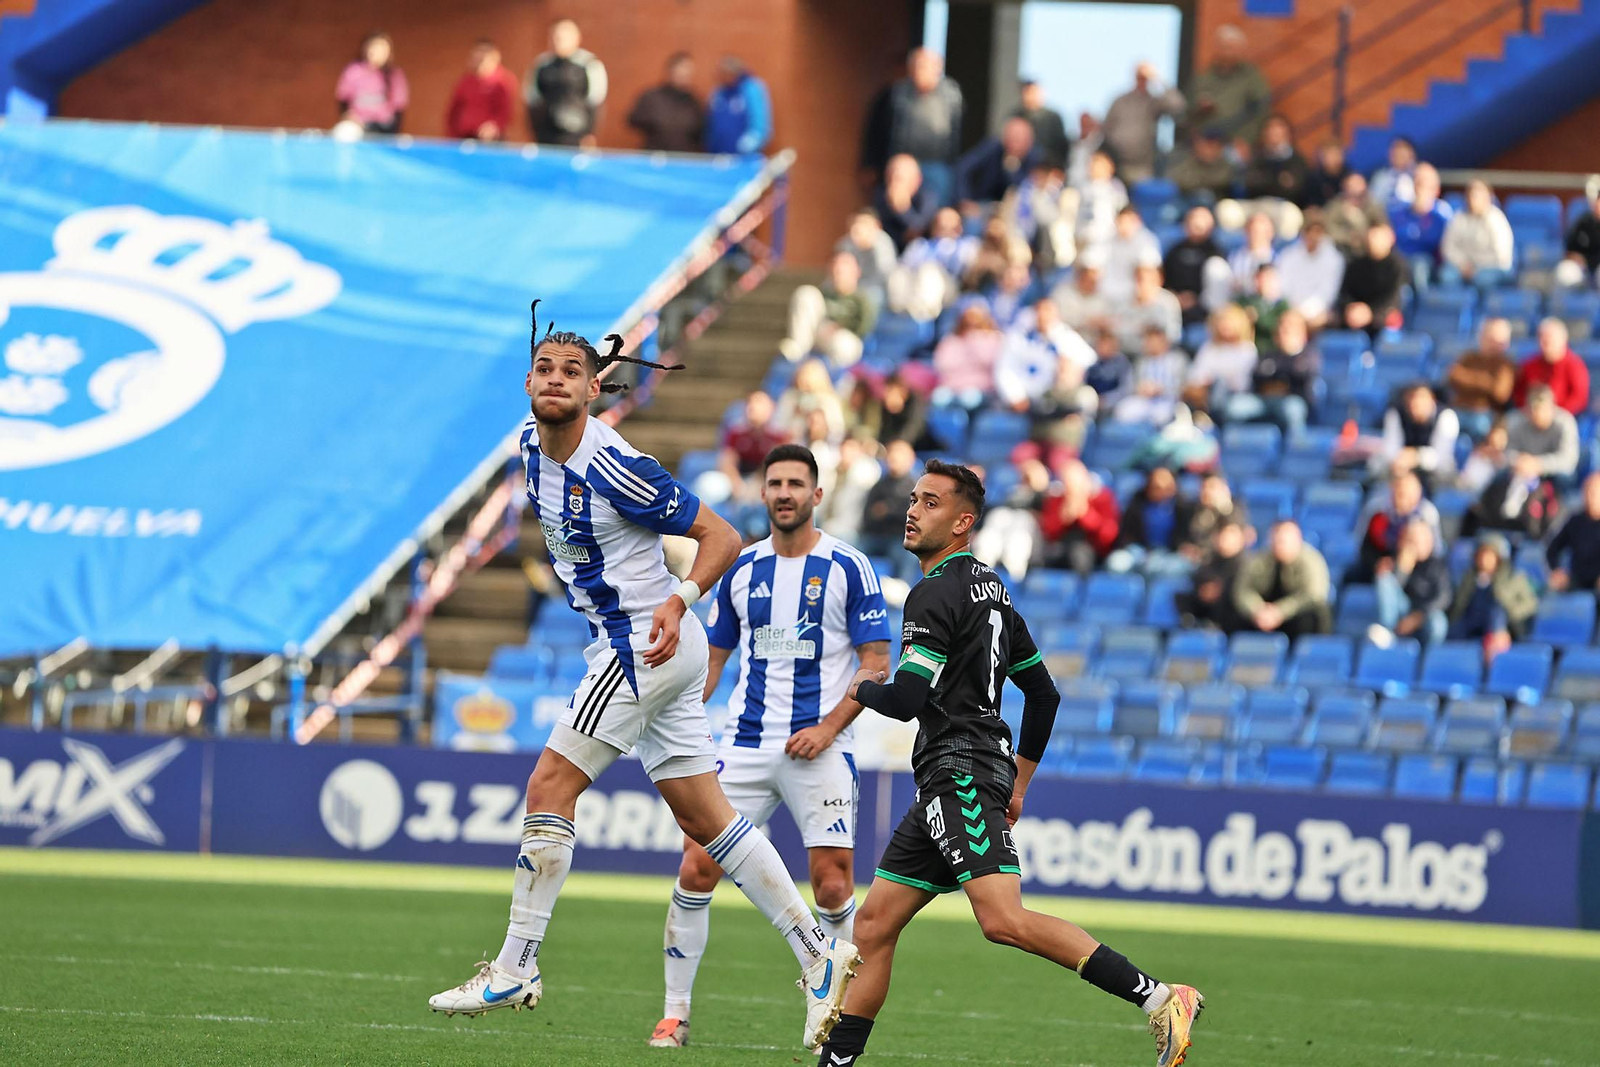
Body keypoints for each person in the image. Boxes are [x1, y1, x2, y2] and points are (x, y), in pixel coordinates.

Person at [430, 310, 857, 1056]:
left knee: (548, 787)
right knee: (709, 822)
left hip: (643, 645)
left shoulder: (613, 463)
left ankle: (515, 965)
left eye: (572, 372)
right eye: (546, 369)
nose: (556, 379)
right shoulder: (531, 448)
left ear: (595, 389)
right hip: (650, 645)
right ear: (528, 381)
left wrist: (677, 597)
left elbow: (722, 536)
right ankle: (820, 956)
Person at [815, 460, 1204, 1067]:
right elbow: (1043, 693)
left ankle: (1160, 998)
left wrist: (861, 686)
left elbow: (906, 700)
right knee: (872, 925)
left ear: (963, 522)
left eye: (931, 502)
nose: (913, 510)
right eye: (915, 499)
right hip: (963, 776)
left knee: (1002, 919)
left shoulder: (933, 591)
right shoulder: (991, 591)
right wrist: (1018, 785)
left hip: (959, 773)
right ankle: (834, 1065)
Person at [653, 445, 891, 1048]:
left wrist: (830, 727)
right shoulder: (742, 567)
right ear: (763, 494)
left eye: (796, 484)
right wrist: (687, 717)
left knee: (833, 885)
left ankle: (832, 1010)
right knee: (696, 865)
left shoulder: (848, 566)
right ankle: (674, 1014)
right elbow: (713, 655)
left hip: (823, 746)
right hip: (746, 743)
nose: (784, 493)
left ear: (816, 495)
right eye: (775, 483)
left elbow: (876, 664)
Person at [882, 48, 965, 207]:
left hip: (938, 165)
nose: (919, 71)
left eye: (924, 66)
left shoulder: (950, 93)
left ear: (938, 68)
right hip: (904, 163)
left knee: (935, 206)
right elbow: (889, 129)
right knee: (899, 205)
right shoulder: (900, 92)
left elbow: (955, 134)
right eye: (916, 66)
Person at [1232, 519, 1333, 639]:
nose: (1279, 544)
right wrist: (1257, 610)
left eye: (1283, 541)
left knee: (1315, 614)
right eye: (1275, 539)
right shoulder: (1260, 559)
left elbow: (1314, 595)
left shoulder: (1311, 561)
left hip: (1295, 614)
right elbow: (1242, 589)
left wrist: (1280, 612)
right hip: (1264, 613)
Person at [1224, 308, 1318, 437]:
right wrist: (1281, 378)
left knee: (1292, 409)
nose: (1284, 331)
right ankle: (1238, 445)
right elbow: (1257, 375)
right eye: (1282, 328)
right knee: (1234, 406)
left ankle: (1295, 446)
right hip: (1263, 401)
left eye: (1290, 329)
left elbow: (1301, 376)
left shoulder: (1309, 355)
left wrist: (1278, 374)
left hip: (1292, 400)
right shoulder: (1269, 354)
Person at [1447, 533, 1538, 659]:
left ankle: (1494, 655)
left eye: (1489, 555)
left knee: (1496, 611)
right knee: (1454, 631)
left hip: (1502, 624)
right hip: (1472, 620)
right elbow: (1460, 604)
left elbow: (1529, 604)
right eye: (1481, 555)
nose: (1484, 560)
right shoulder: (1469, 578)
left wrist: (1511, 610)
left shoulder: (1514, 577)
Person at [996, 298, 1096, 412]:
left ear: (1057, 315)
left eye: (1048, 311)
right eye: (1040, 310)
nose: (1044, 315)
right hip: (1026, 404)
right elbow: (1005, 370)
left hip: (1057, 402)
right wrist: (1015, 397)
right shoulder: (1018, 337)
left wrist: (1072, 367)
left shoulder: (1067, 337)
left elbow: (1089, 360)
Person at [781, 251, 877, 366]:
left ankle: (833, 375)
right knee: (805, 292)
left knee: (844, 345)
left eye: (844, 266)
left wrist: (840, 326)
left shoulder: (862, 299)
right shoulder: (822, 294)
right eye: (836, 265)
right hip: (818, 333)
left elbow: (865, 328)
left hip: (844, 338)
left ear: (856, 271)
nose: (839, 270)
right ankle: (798, 354)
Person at [1350, 467, 1443, 583]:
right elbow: (1365, 547)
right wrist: (1378, 562)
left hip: (1419, 572)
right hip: (1381, 568)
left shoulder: (1427, 514)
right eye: (1400, 492)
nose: (1403, 499)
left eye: (1409, 494)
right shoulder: (1378, 512)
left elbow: (1436, 554)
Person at [524, 19, 607, 147]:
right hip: (546, 135)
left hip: (576, 135)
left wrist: (590, 134)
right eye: (555, 37)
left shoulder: (589, 64)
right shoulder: (541, 65)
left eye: (563, 37)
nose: (558, 41)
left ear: (577, 38)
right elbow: (532, 100)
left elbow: (596, 100)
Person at [1369, 519, 1451, 648]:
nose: (1412, 545)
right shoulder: (1396, 560)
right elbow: (1392, 594)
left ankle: (1430, 655)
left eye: (1416, 541)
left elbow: (1443, 597)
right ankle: (1388, 632)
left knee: (1438, 622)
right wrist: (1402, 570)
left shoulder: (1438, 565)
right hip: (1402, 611)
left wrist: (1417, 617)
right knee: (1384, 579)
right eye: (1408, 540)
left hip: (1424, 614)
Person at [1185, 24, 1270, 147]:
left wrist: (1247, 140)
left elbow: (1262, 110)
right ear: (1217, 48)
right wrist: (1200, 107)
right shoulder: (1203, 77)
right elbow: (1187, 110)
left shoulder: (1251, 77)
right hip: (1206, 144)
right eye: (1225, 47)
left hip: (1238, 143)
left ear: (1241, 50)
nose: (1228, 53)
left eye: (1232, 48)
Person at [1101, 62, 1186, 184]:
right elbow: (1106, 128)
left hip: (1142, 167)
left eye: (1145, 78)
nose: (1142, 80)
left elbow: (1178, 105)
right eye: (1140, 77)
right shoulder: (1120, 100)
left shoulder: (1154, 102)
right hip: (1116, 164)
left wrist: (1157, 78)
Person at [890, 206, 976, 321]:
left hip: (949, 289)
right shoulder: (920, 245)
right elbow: (905, 267)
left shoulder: (965, 246)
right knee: (899, 273)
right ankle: (898, 312)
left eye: (948, 221)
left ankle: (922, 317)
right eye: (939, 221)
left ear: (958, 226)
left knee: (929, 272)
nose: (942, 224)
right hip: (915, 287)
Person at [1108, 467, 1198, 576]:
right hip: (1140, 553)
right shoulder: (1136, 505)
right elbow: (1127, 536)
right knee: (1116, 563)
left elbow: (1187, 538)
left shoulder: (1183, 507)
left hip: (1169, 556)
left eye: (1166, 487)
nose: (1162, 491)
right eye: (1156, 487)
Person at [1038, 459, 1120, 575]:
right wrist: (1063, 518)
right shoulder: (1057, 500)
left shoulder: (1102, 498)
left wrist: (1086, 515)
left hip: (1091, 549)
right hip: (1061, 546)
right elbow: (1048, 532)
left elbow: (1108, 535)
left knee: (1079, 554)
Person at [1376, 383, 1459, 487]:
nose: (1416, 402)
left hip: (1435, 475)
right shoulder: (1395, 413)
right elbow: (1390, 449)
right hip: (1400, 469)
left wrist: (1417, 456)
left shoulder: (1446, 416)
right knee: (1377, 466)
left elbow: (1442, 457)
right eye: (1412, 397)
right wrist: (1403, 459)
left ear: (1432, 398)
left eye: (1421, 397)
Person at [1447, 317, 1517, 441]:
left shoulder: (1505, 364)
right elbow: (1453, 376)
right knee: (1445, 424)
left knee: (1480, 427)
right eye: (1489, 338)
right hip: (1458, 409)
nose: (1492, 344)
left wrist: (1468, 379)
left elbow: (1500, 393)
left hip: (1485, 414)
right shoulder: (1469, 357)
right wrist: (1486, 380)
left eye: (1497, 341)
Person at [1440, 179, 1514, 292]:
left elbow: (1501, 255)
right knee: (1446, 276)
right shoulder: (1459, 217)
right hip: (1462, 267)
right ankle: (1455, 307)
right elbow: (1448, 247)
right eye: (1470, 195)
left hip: (1491, 267)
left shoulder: (1496, 220)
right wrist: (1463, 264)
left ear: (1488, 197)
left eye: (1477, 195)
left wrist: (1476, 267)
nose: (1472, 199)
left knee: (1483, 279)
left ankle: (1483, 308)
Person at [1274, 211, 1345, 329]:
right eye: (1310, 231)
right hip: (1291, 314)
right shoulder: (1288, 256)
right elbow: (1283, 289)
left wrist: (1307, 315)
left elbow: (1327, 294)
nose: (1313, 236)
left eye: (1318, 231)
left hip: (1320, 316)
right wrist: (1295, 314)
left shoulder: (1334, 259)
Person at [1184, 303, 1257, 416]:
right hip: (1207, 396)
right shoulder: (1209, 348)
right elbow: (1197, 377)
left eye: (1229, 321)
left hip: (1236, 397)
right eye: (1222, 321)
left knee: (1221, 385)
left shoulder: (1246, 349)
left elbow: (1241, 383)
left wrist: (1216, 378)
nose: (1225, 325)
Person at [716, 392, 790, 504]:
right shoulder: (736, 433)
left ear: (771, 408)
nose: (753, 407)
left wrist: (757, 484)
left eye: (759, 403)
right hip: (740, 479)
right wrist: (737, 485)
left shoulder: (780, 436)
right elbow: (727, 462)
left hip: (764, 481)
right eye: (750, 403)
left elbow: (776, 465)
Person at [1388, 163, 1452, 290]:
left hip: (1428, 265)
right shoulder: (1398, 213)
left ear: (1436, 189)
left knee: (1419, 265)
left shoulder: (1441, 214)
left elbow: (1445, 248)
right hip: (1399, 262)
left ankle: (1422, 307)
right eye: (1417, 182)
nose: (1420, 188)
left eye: (1425, 184)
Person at [1177, 518, 1248, 632]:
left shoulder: (1248, 565)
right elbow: (1199, 585)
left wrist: (1221, 590)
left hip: (1235, 623)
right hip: (1206, 615)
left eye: (1231, 534)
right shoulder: (1208, 563)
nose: (1225, 539)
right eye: (1222, 534)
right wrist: (1204, 592)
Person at [1163, 205, 1229, 325]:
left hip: (1205, 308)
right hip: (1175, 304)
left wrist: (1196, 299)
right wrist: (1175, 297)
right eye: (1193, 220)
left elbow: (1218, 286)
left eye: (1202, 221)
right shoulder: (1175, 250)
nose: (1197, 225)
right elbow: (1163, 278)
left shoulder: (1216, 251)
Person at [1338, 222, 1407, 337]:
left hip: (1381, 317)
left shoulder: (1398, 266)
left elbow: (1394, 298)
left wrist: (1371, 313)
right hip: (1356, 318)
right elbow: (1346, 292)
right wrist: (1351, 308)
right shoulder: (1356, 264)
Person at [1112, 323, 1189, 425]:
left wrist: (1160, 389)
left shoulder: (1177, 360)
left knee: (1162, 417)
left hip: (1167, 400)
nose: (1151, 344)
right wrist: (1139, 388)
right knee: (1122, 411)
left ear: (1164, 342)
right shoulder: (1142, 361)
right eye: (1148, 341)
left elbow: (1184, 386)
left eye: (1155, 341)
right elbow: (1131, 385)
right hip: (1143, 400)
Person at [628, 52, 704, 153]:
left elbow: (700, 131)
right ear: (671, 70)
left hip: (683, 158)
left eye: (688, 70)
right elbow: (634, 119)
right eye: (682, 68)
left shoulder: (694, 102)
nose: (685, 73)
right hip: (655, 156)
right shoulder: (652, 97)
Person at [932, 304, 1005, 410]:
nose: (971, 324)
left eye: (976, 321)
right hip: (952, 386)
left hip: (980, 388)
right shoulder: (951, 340)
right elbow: (942, 365)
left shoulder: (994, 339)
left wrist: (975, 341)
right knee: (939, 398)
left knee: (969, 399)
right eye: (968, 321)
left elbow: (989, 362)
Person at [1513, 317, 1591, 416]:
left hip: (1563, 417)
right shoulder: (1529, 365)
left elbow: (1579, 397)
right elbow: (1519, 393)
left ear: (1562, 339)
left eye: (1549, 337)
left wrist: (1554, 414)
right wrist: (1532, 412)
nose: (1545, 341)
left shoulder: (1574, 365)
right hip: (1531, 417)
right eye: (1541, 337)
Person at [445, 39, 519, 141]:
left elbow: (505, 111)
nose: (478, 58)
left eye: (482, 55)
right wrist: (451, 135)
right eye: (476, 55)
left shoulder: (502, 81)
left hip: (489, 141)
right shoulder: (465, 82)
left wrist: (494, 126)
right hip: (464, 138)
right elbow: (454, 111)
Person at [859, 439, 921, 560]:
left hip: (900, 538)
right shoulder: (879, 485)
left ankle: (902, 580)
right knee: (855, 548)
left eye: (899, 455)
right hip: (876, 536)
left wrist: (887, 510)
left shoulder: (916, 487)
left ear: (910, 459)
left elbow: (913, 518)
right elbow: (869, 515)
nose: (894, 459)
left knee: (908, 553)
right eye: (892, 455)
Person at [336, 32, 408, 134]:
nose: (379, 52)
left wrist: (394, 133)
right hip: (359, 126)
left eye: (383, 49)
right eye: (375, 47)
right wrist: (349, 117)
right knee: (343, 132)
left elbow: (399, 108)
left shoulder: (394, 74)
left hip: (385, 127)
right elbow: (343, 99)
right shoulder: (354, 71)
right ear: (366, 49)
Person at [956, 116, 1037, 208]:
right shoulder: (993, 147)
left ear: (1029, 143)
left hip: (1016, 211)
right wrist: (964, 199)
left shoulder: (1036, 159)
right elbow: (963, 167)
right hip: (983, 204)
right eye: (1009, 138)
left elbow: (1027, 191)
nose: (1012, 145)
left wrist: (1013, 169)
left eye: (1017, 140)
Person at [1546, 472, 1600, 596]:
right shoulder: (1575, 521)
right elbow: (1552, 550)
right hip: (1577, 579)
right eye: (1588, 492)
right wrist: (1557, 570)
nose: (1591, 497)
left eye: (1596, 493)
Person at [706, 56, 773, 156]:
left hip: (743, 156)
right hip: (719, 155)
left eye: (727, 74)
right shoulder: (719, 92)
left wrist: (749, 145)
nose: (724, 77)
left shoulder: (751, 89)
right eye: (722, 74)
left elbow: (760, 123)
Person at [1114, 263, 1183, 355]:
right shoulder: (1126, 302)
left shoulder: (1167, 302)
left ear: (1158, 280)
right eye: (1137, 279)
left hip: (1162, 355)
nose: (1139, 284)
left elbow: (1173, 335)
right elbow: (1117, 331)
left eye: (1144, 280)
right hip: (1129, 353)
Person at [875, 154, 940, 252]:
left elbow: (919, 228)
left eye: (900, 179)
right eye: (891, 177)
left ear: (917, 180)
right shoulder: (881, 195)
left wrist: (903, 209)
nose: (894, 183)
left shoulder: (928, 197)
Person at [1101, 205, 1163, 306]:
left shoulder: (1147, 241)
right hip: (1107, 296)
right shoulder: (1108, 240)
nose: (1123, 226)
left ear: (1137, 221)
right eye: (1120, 222)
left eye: (1127, 222)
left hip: (1135, 299)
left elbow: (1148, 273)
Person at [835, 208, 899, 305]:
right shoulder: (846, 243)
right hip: (849, 289)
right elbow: (837, 270)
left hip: (876, 290)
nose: (859, 228)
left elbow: (885, 276)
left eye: (865, 224)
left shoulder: (882, 243)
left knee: (872, 296)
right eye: (857, 223)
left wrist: (870, 245)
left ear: (876, 226)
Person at [1241, 114, 1308, 205]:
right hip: (1257, 205)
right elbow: (1250, 183)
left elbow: (1294, 188)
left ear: (1287, 132)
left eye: (1278, 127)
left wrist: (1266, 180)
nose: (1273, 132)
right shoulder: (1256, 157)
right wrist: (1278, 180)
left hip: (1286, 205)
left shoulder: (1297, 160)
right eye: (1270, 128)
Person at [1073, 149, 1130, 252]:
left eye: (1100, 165)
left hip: (1107, 240)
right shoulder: (1081, 187)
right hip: (1083, 239)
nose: (1095, 169)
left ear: (1110, 168)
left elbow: (1123, 212)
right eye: (1093, 165)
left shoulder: (1115, 187)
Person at [1050, 247, 1114, 335]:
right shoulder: (1063, 293)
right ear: (1080, 275)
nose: (1093, 282)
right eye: (1089, 277)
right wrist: (1086, 322)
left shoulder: (1104, 298)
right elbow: (1056, 323)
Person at [1011, 78, 1070, 170]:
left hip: (1047, 166)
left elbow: (1061, 145)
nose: (1029, 96)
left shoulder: (1053, 117)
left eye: (1032, 92)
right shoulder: (1017, 116)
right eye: (1026, 92)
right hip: (1021, 165)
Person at [1326, 171, 1386, 256]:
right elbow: (1329, 228)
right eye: (1351, 192)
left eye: (1359, 195)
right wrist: (1349, 237)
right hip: (1341, 250)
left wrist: (1368, 236)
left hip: (1367, 250)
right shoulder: (1336, 206)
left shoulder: (1373, 206)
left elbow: (1382, 227)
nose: (1355, 198)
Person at [1169, 128, 1236, 201]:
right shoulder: (1188, 162)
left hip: (1218, 202)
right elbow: (1176, 179)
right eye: (1206, 145)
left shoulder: (1225, 165)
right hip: (1188, 202)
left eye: (1214, 146)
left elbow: (1224, 180)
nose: (1209, 151)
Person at [1238, 262, 1291, 351]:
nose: (1263, 282)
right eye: (1260, 278)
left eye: (1268, 278)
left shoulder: (1282, 305)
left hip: (1274, 350)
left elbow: (1277, 326)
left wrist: (1258, 317)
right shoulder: (1246, 301)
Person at [1227, 212, 1277, 298]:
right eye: (1253, 231)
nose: (1256, 236)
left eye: (1261, 232)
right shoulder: (1233, 258)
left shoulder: (1279, 259)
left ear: (1271, 233)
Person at [1558, 190, 1600, 287]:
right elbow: (1569, 249)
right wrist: (1574, 257)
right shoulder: (1583, 222)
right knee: (1565, 272)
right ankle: (1565, 302)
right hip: (1581, 268)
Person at [1368, 136, 1418, 208]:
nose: (1398, 154)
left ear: (1411, 154)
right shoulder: (1380, 177)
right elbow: (1373, 202)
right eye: (1394, 150)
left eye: (1402, 150)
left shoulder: (1419, 176)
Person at [1302, 139, 1350, 207]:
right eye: (1331, 154)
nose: (1335, 158)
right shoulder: (1314, 178)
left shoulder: (1349, 175)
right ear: (1322, 156)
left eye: (1338, 154)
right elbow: (1311, 205)